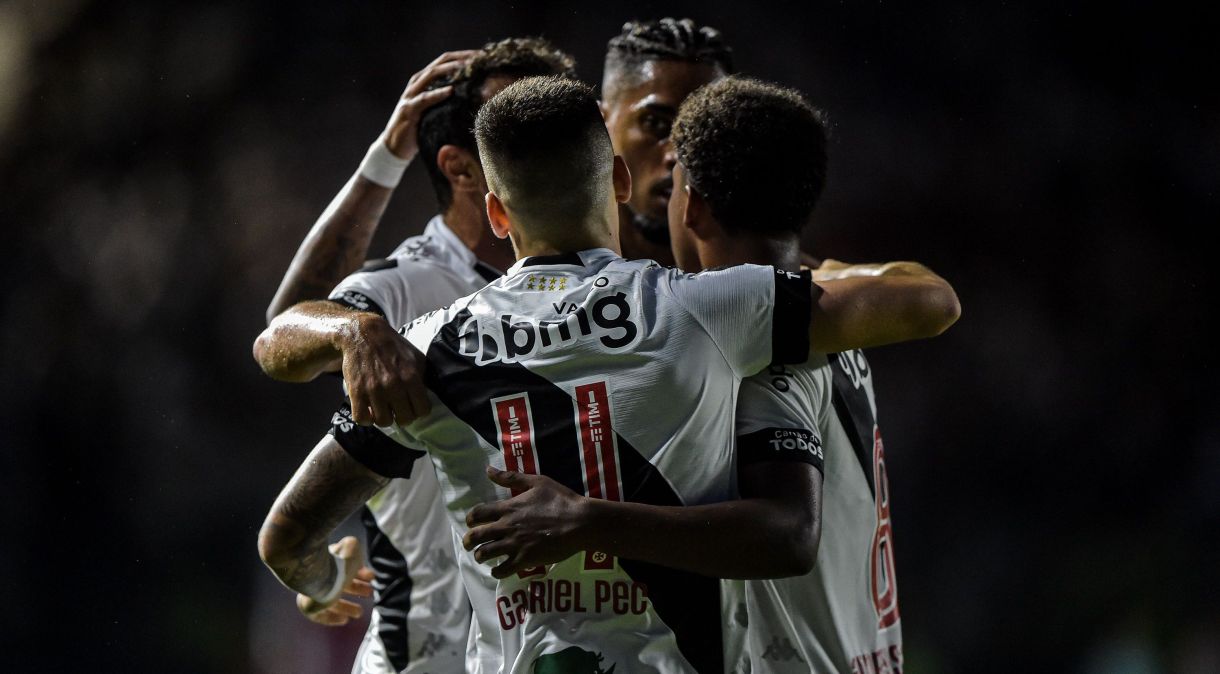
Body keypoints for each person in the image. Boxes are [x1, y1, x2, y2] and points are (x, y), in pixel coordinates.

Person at [255, 76, 958, 673]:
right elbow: (930, 303)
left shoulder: (433, 348)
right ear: (620, 181)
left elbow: (284, 537)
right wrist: (820, 276)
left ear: (498, 214)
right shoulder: (710, 306)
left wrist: (327, 579)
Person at [461, 77, 922, 672]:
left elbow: (787, 533)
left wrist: (587, 521)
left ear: (693, 203)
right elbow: (929, 296)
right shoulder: (832, 322)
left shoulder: (756, 349)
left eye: (674, 179)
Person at [253, 39, 578, 674]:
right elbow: (278, 338)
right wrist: (354, 332)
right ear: (460, 167)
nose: (549, 139)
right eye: (515, 121)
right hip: (426, 660)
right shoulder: (412, 285)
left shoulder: (604, 287)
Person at [600, 18, 733, 266]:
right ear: (601, 124)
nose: (678, 154)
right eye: (656, 124)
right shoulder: (530, 288)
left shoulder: (789, 290)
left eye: (704, 127)